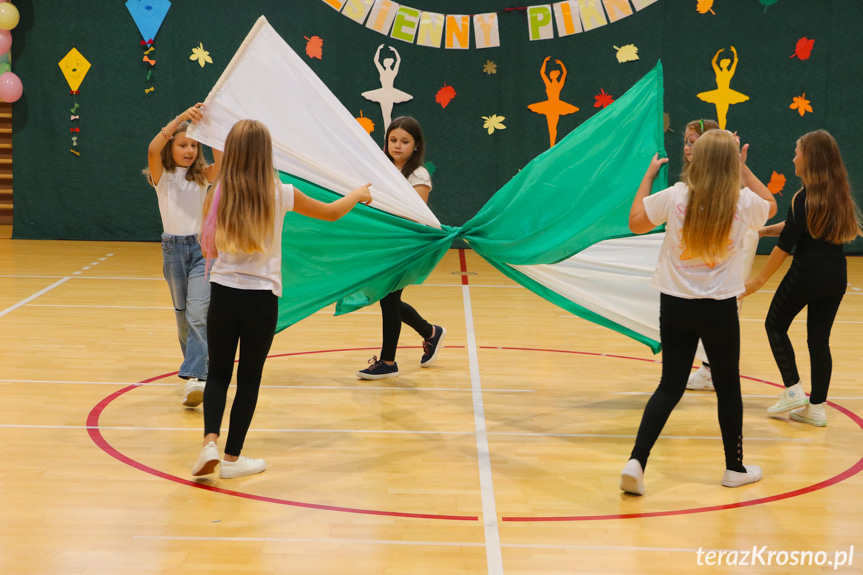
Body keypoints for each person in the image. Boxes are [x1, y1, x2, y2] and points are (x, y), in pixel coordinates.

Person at [191, 119, 372, 478]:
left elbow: (206, 242)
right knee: (249, 378)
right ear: (266, 154)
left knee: (218, 374)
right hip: (261, 299)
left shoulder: (218, 190)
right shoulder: (281, 192)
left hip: (223, 293)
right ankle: (232, 460)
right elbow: (332, 213)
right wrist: (359, 193)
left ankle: (209, 442)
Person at [620, 130, 777, 496]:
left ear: (696, 158)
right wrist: (744, 170)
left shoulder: (676, 195)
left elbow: (636, 221)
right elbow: (770, 204)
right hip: (719, 307)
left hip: (674, 304)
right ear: (731, 162)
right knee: (727, 387)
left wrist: (646, 176)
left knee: (670, 386)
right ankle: (734, 468)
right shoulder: (743, 201)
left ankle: (636, 461)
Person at [741, 130, 862, 427]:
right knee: (819, 341)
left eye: (797, 152)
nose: (793, 157)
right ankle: (816, 407)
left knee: (774, 324)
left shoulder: (802, 197)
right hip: (836, 274)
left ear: (809, 159)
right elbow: (793, 226)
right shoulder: (837, 193)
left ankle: (793, 388)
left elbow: (785, 246)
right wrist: (759, 230)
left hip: (807, 272)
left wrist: (757, 282)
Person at [356, 117, 446, 380]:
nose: (397, 146)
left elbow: (416, 214)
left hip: (406, 245)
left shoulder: (419, 175)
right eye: (393, 140)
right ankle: (430, 332)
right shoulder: (381, 170)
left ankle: (387, 361)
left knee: (389, 300)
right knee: (388, 298)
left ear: (416, 145)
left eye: (404, 141)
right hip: (384, 243)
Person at [146, 103, 221, 407]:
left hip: (202, 250)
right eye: (183, 144)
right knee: (182, 316)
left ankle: (197, 377)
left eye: (193, 144)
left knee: (198, 311)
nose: (189, 149)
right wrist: (181, 119)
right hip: (173, 251)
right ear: (172, 148)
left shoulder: (202, 176)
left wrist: (212, 127)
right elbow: (153, 148)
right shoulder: (161, 176)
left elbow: (225, 161)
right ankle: (197, 371)